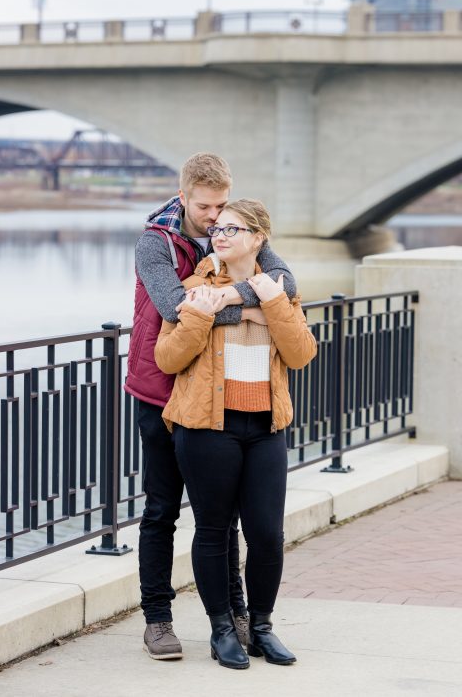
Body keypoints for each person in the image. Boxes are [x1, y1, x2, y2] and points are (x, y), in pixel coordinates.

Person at [124, 152, 298, 661]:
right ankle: (158, 619)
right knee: (161, 511)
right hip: (159, 390)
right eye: (204, 207)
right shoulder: (154, 243)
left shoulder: (235, 230)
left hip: (216, 400)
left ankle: (239, 618)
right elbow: (174, 305)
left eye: (221, 206)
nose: (213, 217)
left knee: (220, 517)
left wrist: (224, 299)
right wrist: (253, 306)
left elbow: (284, 281)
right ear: (183, 199)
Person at [154, 199, 316, 669]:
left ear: (258, 236)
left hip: (265, 425)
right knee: (212, 531)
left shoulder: (280, 287)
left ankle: (261, 626)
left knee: (267, 533)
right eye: (217, 229)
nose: (219, 235)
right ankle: (222, 628)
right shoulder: (194, 289)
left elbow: (302, 351)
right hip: (206, 426)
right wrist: (205, 315)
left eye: (232, 229)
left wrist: (266, 305)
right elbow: (168, 358)